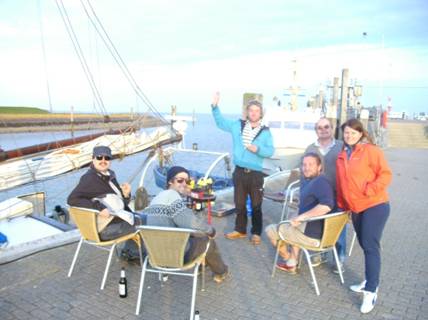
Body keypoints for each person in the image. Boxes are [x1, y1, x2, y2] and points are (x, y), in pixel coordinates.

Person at [336, 119, 392, 314]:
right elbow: (342, 184)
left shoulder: (371, 151)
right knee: (364, 243)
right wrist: (343, 205)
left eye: (353, 132)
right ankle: (369, 279)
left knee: (370, 245)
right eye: (346, 133)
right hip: (356, 208)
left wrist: (370, 189)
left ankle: (371, 291)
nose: (349, 136)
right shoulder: (342, 156)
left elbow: (385, 174)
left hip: (376, 204)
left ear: (361, 133)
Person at [143, 166, 229, 283]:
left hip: (155, 255)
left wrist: (189, 197)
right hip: (176, 256)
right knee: (207, 240)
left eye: (187, 181)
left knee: (197, 236)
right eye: (180, 180)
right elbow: (191, 223)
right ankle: (221, 271)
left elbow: (183, 221)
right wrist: (211, 230)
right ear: (170, 181)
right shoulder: (172, 196)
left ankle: (202, 267)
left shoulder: (156, 198)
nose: (184, 184)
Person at [211, 92, 274, 245]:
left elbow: (270, 151)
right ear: (247, 112)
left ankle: (256, 232)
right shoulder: (237, 125)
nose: (253, 113)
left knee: (256, 205)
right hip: (239, 171)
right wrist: (215, 106)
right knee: (239, 203)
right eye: (251, 110)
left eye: (256, 111)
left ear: (261, 114)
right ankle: (240, 230)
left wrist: (257, 149)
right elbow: (220, 123)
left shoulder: (265, 131)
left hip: (256, 174)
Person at [265, 153, 335, 273]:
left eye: (311, 164)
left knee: (270, 230)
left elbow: (327, 205)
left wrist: (301, 217)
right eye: (304, 165)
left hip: (312, 237)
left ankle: (288, 259)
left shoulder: (320, 183)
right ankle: (293, 260)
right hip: (316, 230)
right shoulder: (314, 180)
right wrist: (298, 216)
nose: (306, 167)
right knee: (293, 218)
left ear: (319, 167)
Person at [68, 146, 145, 241]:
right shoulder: (89, 178)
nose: (103, 161)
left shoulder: (109, 176)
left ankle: (130, 252)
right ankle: (143, 254)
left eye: (107, 158)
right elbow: (72, 199)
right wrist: (100, 208)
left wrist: (126, 195)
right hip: (105, 229)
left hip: (116, 219)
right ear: (93, 159)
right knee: (147, 224)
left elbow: (120, 205)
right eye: (99, 157)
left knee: (146, 218)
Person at [304, 117, 346, 270]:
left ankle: (339, 259)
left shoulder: (342, 147)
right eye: (320, 127)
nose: (323, 130)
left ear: (332, 128)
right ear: (316, 130)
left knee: (338, 229)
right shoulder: (310, 148)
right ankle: (318, 254)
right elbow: (305, 173)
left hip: (338, 195)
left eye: (326, 127)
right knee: (317, 226)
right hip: (317, 197)